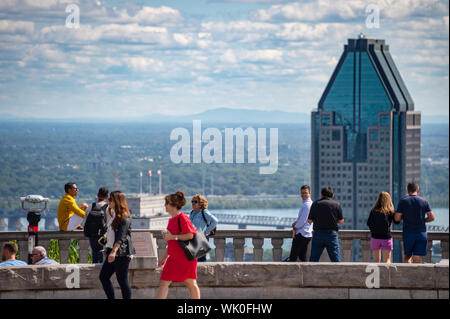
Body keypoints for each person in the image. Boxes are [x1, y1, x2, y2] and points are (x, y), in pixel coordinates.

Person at [156, 191, 200, 299]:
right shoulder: (171, 220)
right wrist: (164, 258)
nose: (165, 205)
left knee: (190, 283)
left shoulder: (183, 218)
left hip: (185, 257)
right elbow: (172, 243)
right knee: (163, 283)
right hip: (173, 258)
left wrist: (173, 236)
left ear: (173, 205)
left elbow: (190, 235)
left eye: (167, 203)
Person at [99, 191, 135, 299]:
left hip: (121, 253)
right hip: (112, 250)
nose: (108, 201)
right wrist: (106, 239)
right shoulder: (114, 215)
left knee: (122, 281)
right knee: (104, 277)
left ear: (117, 201)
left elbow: (121, 237)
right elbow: (113, 232)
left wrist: (113, 252)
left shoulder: (125, 217)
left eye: (111, 199)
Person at [394, 182, 435, 264]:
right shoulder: (424, 201)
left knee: (407, 257)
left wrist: (404, 218)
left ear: (407, 190)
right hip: (421, 233)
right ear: (417, 190)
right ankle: (415, 276)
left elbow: (397, 218)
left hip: (408, 233)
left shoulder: (403, 201)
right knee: (417, 257)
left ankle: (407, 275)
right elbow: (432, 217)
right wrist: (423, 220)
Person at [307, 186, 344, 262]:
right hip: (331, 235)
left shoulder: (315, 204)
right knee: (336, 260)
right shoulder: (336, 204)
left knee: (313, 260)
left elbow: (309, 221)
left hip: (318, 234)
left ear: (321, 195)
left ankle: (311, 274)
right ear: (332, 195)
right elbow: (341, 221)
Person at [367, 192, 399, 263]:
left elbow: (368, 223)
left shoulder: (373, 211)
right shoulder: (390, 212)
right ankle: (386, 274)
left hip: (375, 238)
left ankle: (378, 274)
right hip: (386, 237)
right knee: (387, 260)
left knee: (376, 260)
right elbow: (397, 222)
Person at [286, 185, 313, 262]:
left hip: (302, 233)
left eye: (305, 193)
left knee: (293, 257)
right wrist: (296, 222)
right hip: (307, 233)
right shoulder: (310, 203)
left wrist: (295, 227)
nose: (303, 194)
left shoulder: (306, 205)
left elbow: (302, 221)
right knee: (302, 257)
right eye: (302, 193)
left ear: (309, 193)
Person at [189, 194, 218, 262]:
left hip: (201, 237)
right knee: (193, 259)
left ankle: (202, 272)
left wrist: (205, 231)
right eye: (192, 201)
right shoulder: (192, 212)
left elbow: (215, 221)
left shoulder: (204, 212)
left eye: (195, 202)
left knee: (201, 259)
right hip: (193, 238)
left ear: (200, 204)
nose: (193, 203)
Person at [83, 187, 109, 264]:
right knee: (103, 257)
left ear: (97, 195)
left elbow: (85, 221)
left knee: (95, 254)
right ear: (107, 196)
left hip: (92, 235)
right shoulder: (108, 208)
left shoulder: (90, 207)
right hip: (104, 236)